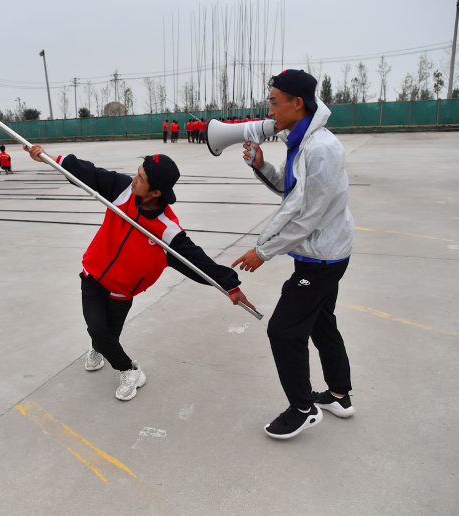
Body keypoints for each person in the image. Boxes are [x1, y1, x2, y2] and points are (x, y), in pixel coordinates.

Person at [23, 144, 255, 401]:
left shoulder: (166, 231)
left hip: (122, 291)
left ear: (156, 192)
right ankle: (130, 370)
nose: (134, 178)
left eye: (141, 178)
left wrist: (229, 285)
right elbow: (87, 173)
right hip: (93, 275)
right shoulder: (121, 189)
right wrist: (48, 158)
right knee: (97, 328)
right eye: (138, 172)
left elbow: (197, 262)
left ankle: (99, 347)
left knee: (108, 335)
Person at [232, 69, 355, 440]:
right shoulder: (301, 141)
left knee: (283, 331)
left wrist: (262, 251)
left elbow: (305, 216)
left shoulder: (321, 149)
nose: (269, 109)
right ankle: (339, 395)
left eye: (273, 101)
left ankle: (303, 408)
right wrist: (261, 166)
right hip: (321, 253)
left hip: (321, 259)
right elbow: (291, 190)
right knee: (321, 323)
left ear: (296, 103)